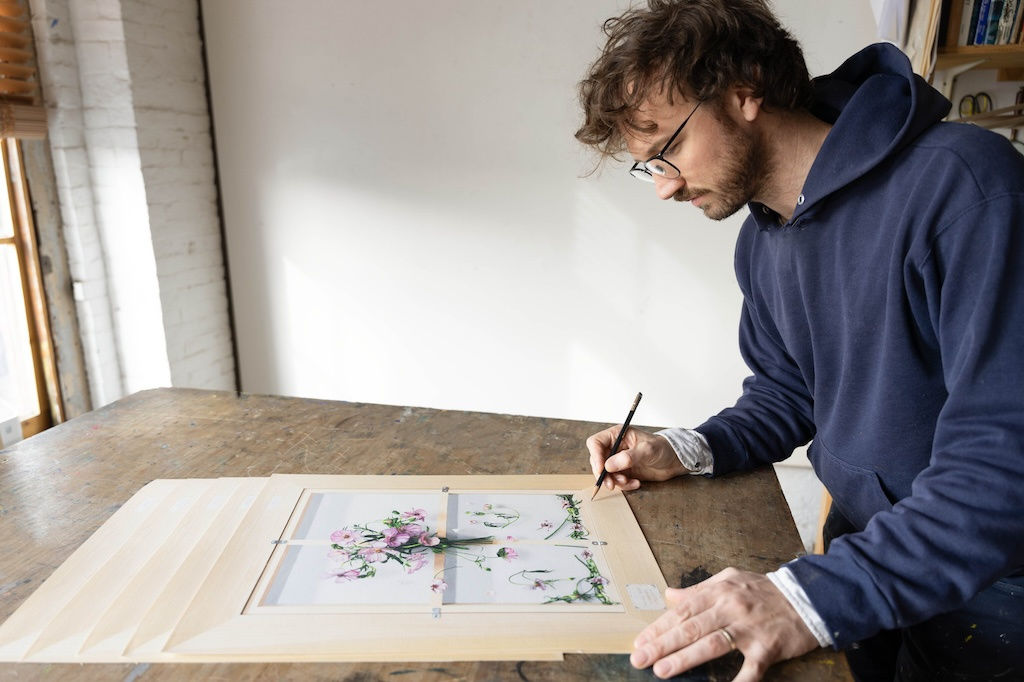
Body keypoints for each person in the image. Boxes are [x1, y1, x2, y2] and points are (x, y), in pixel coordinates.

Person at [575, 1, 1024, 681]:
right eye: (648, 167)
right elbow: (789, 392)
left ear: (746, 89)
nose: (663, 187)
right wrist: (682, 449)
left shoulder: (965, 186)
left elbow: (1004, 462)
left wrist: (809, 595)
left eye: (666, 150)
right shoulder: (762, 241)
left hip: (995, 589)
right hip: (867, 551)